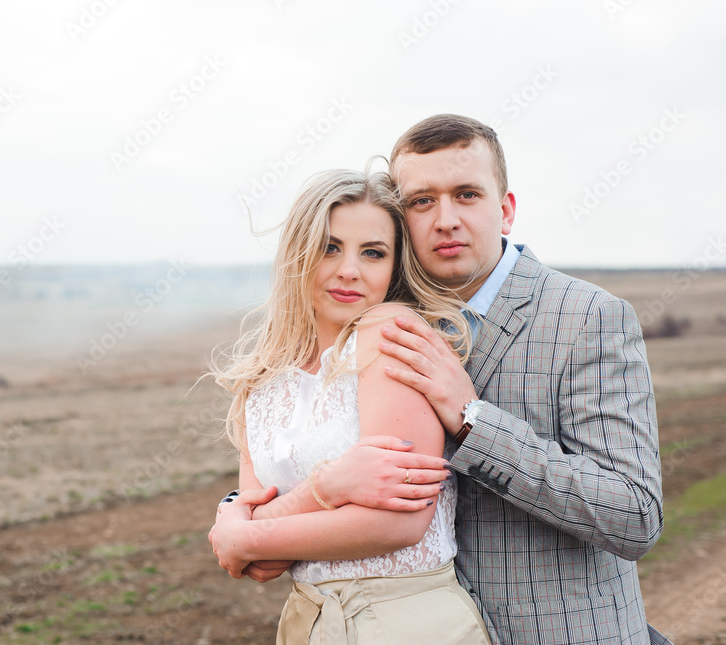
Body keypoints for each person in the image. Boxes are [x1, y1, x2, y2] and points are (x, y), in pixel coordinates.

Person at [214, 115, 670, 645]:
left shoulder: (588, 317)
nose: (446, 219)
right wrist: (246, 510)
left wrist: (474, 422)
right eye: (422, 201)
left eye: (467, 194)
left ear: (505, 210)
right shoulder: (374, 315)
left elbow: (634, 515)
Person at [207, 166, 492, 644]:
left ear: (395, 266)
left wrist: (243, 533)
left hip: (409, 624)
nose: (349, 270)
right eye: (330, 247)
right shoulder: (260, 380)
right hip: (310, 624)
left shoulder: (388, 331)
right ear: (298, 252)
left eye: (373, 253)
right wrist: (326, 488)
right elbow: (262, 561)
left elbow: (401, 522)